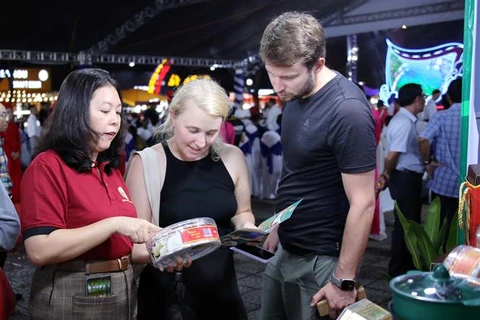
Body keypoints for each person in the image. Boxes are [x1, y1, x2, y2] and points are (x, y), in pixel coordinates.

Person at [258, 12, 376, 320]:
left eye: (287, 76)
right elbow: (297, 171)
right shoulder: (295, 93)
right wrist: (277, 224)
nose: (277, 86)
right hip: (288, 244)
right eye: (272, 73)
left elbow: (363, 202)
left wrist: (343, 280)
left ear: (318, 64)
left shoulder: (346, 110)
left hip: (323, 257)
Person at [20, 68, 160, 320]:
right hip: (74, 291)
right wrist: (114, 224)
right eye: (105, 111)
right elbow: (39, 249)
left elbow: (126, 246)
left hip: (122, 290)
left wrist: (164, 246)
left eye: (118, 112)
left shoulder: (109, 168)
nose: (115, 120)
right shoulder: (48, 166)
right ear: (75, 111)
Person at [126, 78, 256, 320]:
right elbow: (133, 243)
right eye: (193, 131)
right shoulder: (147, 163)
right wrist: (167, 253)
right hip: (167, 298)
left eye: (211, 132)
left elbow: (242, 211)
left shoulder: (232, 157)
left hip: (223, 295)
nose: (201, 142)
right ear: (173, 117)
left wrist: (248, 229)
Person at [376, 83, 426, 277]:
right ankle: (399, 268)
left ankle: (402, 265)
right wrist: (387, 174)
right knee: (405, 225)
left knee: (406, 223)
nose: (423, 100)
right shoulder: (404, 122)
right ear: (416, 99)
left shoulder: (404, 120)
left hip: (406, 176)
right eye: (422, 96)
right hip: (405, 178)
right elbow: (393, 155)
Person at [419, 78, 462, 246]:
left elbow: (423, 140)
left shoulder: (441, 117)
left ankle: (442, 267)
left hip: (444, 183)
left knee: (442, 232)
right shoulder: (475, 117)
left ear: (449, 97)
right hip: (471, 185)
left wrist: (427, 161)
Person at [0, 104, 22, 203]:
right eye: (3, 115)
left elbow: (18, 141)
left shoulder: (13, 127)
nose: (7, 119)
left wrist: (17, 151)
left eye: (8, 114)